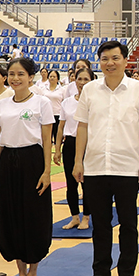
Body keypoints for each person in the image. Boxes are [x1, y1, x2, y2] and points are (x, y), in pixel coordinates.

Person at [74, 40, 139, 276]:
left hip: (127, 167)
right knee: (100, 225)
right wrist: (78, 161)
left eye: (115, 58)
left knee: (129, 225)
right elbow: (83, 127)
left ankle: (127, 275)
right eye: (105, 59)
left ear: (125, 60)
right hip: (96, 167)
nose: (110, 63)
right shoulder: (89, 90)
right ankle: (101, 275)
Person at [0, 57, 54, 276]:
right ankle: (20, 273)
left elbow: (47, 139)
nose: (15, 78)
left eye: (20, 74)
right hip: (8, 162)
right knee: (11, 216)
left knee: (33, 216)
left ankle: (33, 272)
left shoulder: (42, 103)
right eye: (12, 74)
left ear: (31, 77)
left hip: (33, 161)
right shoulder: (2, 105)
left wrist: (47, 171)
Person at [53, 67, 94, 230]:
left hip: (89, 144)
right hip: (70, 143)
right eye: (79, 79)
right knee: (71, 183)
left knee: (87, 184)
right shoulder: (67, 102)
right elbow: (61, 127)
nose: (82, 83)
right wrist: (57, 149)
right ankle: (74, 216)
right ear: (74, 81)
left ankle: (86, 217)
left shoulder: (94, 101)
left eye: (86, 79)